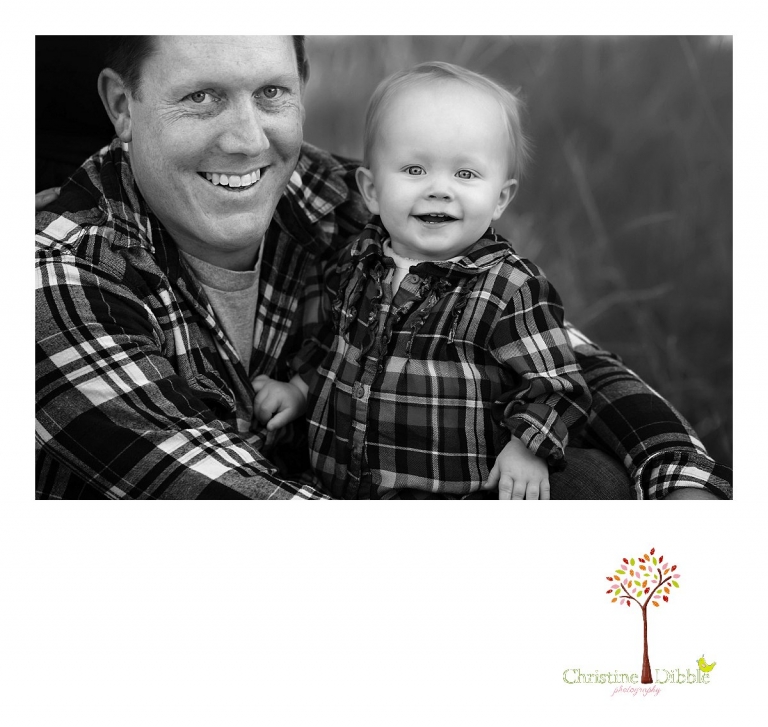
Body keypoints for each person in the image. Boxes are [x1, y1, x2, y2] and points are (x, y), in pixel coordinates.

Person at [35, 35, 732, 500]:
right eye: (202, 96)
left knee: (589, 478)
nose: (249, 139)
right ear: (122, 107)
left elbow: (561, 357)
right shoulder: (55, 273)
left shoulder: (341, 198)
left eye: (272, 93)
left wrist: (684, 480)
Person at [252, 61, 596, 500]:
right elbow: (332, 343)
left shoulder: (509, 288)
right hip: (335, 488)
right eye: (414, 170)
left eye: (466, 174)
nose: (439, 189)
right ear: (372, 191)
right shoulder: (355, 261)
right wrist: (299, 390)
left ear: (500, 199)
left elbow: (558, 385)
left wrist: (527, 447)